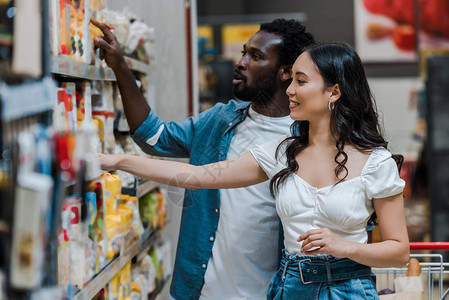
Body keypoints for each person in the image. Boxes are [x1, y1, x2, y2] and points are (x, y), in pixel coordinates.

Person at [99, 42, 410, 299]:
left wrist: (345, 246)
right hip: (290, 287)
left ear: (334, 93)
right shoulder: (281, 152)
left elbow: (399, 252)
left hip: (348, 289)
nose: (289, 89)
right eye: (291, 80)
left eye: (301, 81)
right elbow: (199, 176)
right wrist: (118, 162)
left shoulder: (376, 163)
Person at [91, 19, 315, 299]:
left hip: (266, 292)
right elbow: (156, 136)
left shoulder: (307, 139)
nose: (241, 62)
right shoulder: (221, 119)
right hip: (201, 290)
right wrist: (120, 67)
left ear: (285, 73)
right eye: (244, 52)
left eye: (255, 56)